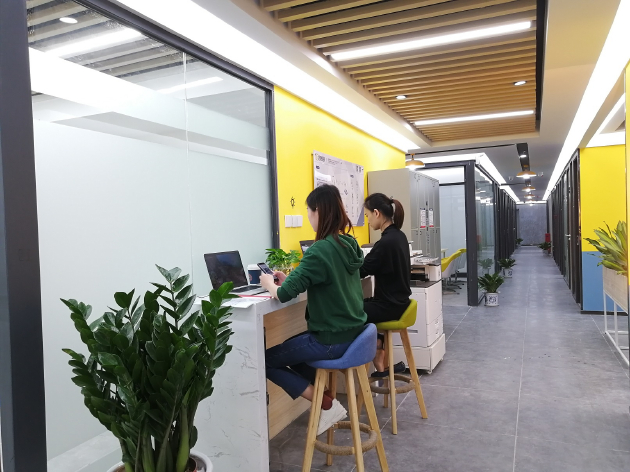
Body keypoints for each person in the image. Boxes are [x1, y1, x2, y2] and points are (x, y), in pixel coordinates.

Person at [260, 184, 367, 436]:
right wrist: (290, 279)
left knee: (264, 360)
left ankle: (325, 404)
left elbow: (283, 295)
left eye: (309, 211)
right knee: (292, 347)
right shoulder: (349, 243)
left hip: (331, 340)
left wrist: (268, 284)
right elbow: (324, 279)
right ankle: (325, 397)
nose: (308, 217)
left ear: (317, 211)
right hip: (353, 334)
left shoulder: (320, 250)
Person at [361, 193, 412, 375]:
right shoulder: (399, 236)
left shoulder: (385, 243)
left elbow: (361, 270)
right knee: (359, 304)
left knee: (348, 311)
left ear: (376, 213)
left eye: (367, 215)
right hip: (399, 302)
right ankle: (377, 343)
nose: (367, 221)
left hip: (389, 306)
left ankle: (376, 350)